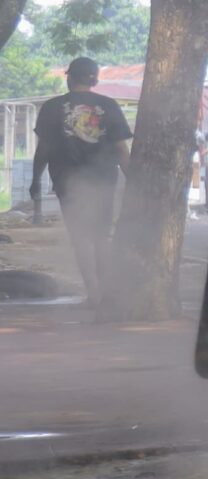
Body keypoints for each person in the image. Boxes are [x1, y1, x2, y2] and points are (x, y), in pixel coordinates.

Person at [32, 57, 130, 306]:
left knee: (80, 238)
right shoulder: (109, 106)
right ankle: (105, 292)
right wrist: (134, 182)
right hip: (104, 180)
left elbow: (44, 148)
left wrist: (35, 179)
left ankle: (94, 293)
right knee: (101, 236)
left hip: (68, 182)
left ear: (69, 76)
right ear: (94, 79)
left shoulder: (52, 107)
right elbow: (121, 149)